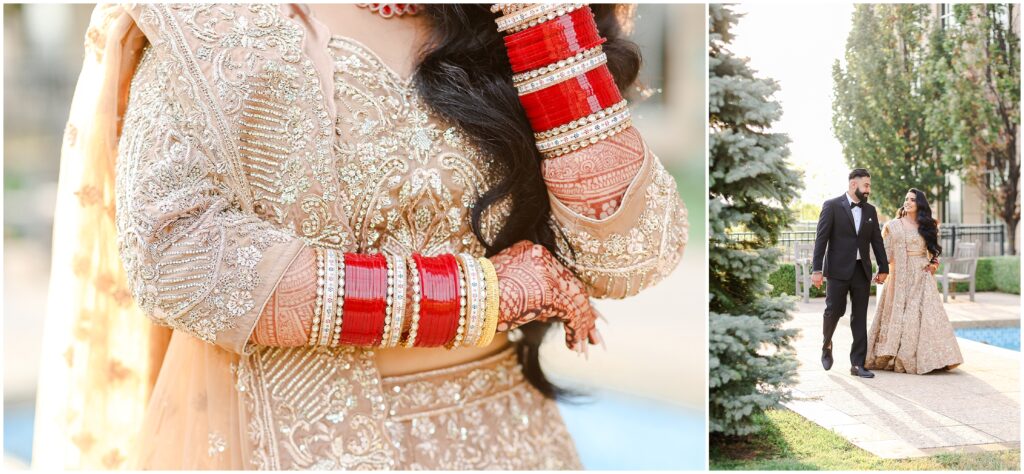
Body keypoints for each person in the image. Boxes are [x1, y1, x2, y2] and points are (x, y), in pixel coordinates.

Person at [32, 3, 688, 470]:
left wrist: (543, 23)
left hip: (512, 441)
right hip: (294, 443)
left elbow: (634, 256)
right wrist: (478, 297)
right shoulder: (210, 18)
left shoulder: (509, 22)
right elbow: (175, 256)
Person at [865, 189, 963, 374]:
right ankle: (895, 355)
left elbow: (934, 253)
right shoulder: (893, 226)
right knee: (902, 316)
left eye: (912, 200)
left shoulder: (929, 225)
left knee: (925, 316)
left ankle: (933, 358)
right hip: (899, 278)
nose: (908, 202)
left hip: (921, 276)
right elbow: (885, 254)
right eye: (906, 199)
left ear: (920, 204)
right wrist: (881, 271)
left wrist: (933, 265)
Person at [811, 168, 889, 378]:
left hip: (861, 271)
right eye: (866, 185)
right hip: (837, 270)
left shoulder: (870, 211)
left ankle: (857, 364)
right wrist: (817, 269)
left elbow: (877, 241)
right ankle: (827, 344)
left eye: (869, 186)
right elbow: (821, 239)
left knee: (860, 317)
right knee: (833, 311)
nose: (868, 190)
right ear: (853, 184)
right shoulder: (832, 206)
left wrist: (883, 268)